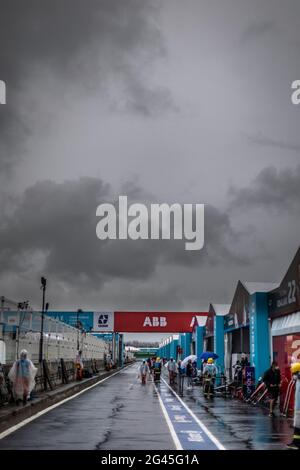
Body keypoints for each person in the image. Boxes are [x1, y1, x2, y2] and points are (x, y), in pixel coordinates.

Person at [287, 362, 300, 450]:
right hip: (298, 408)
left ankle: (296, 443)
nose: (293, 375)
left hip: (299, 409)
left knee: (297, 426)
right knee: (297, 426)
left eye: (294, 373)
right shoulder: (298, 381)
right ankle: (295, 442)